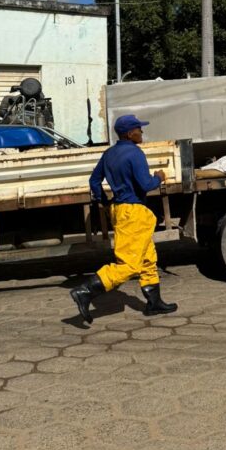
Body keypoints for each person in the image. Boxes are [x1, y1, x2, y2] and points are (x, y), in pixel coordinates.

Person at [69, 113, 177, 324]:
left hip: (121, 210)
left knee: (147, 258)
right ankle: (85, 291)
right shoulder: (135, 153)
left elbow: (94, 181)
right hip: (134, 213)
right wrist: (159, 177)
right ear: (129, 133)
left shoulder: (109, 153)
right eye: (138, 129)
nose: (141, 132)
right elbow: (146, 185)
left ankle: (154, 303)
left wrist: (104, 202)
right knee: (129, 264)